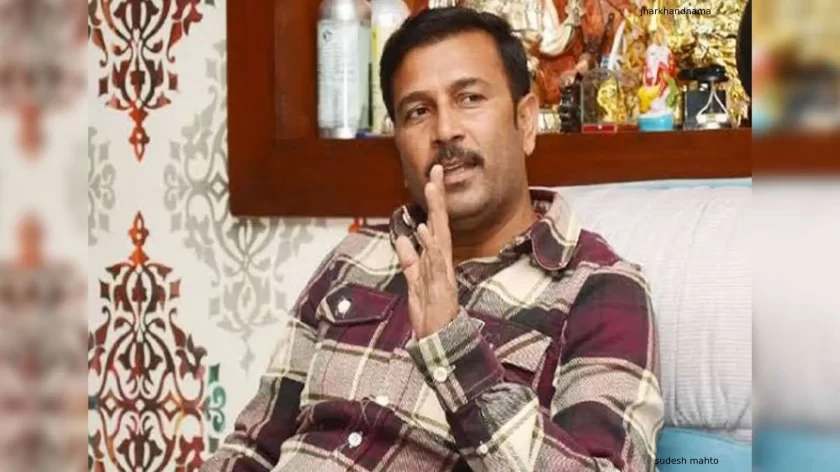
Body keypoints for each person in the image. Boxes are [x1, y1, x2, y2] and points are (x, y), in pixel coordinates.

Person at [201, 7, 663, 471]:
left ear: (525, 122)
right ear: (398, 144)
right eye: (418, 111)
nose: (444, 131)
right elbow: (254, 446)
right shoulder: (353, 258)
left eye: (470, 98)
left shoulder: (599, 288)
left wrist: (452, 345)